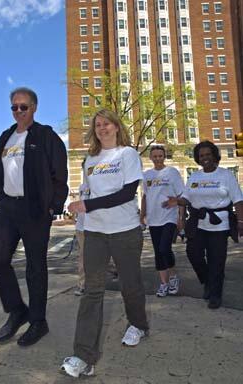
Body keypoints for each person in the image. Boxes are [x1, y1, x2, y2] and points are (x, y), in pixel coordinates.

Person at [60, 109, 148, 378]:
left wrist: (88, 204)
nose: (102, 128)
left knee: (130, 285)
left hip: (125, 230)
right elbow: (87, 192)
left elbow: (126, 194)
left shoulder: (127, 154)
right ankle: (83, 356)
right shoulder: (90, 159)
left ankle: (138, 324)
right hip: (96, 232)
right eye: (97, 125)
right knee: (92, 291)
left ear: (117, 126)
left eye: (106, 123)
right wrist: (80, 218)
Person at [0, 87, 68, 346]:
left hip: (35, 209)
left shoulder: (45, 135)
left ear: (33, 108)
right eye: (14, 107)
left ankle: (38, 321)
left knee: (35, 267)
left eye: (23, 107)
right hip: (7, 209)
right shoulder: (5, 137)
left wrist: (53, 206)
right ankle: (17, 310)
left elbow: (60, 172)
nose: (18, 112)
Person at [163, 141, 243, 309]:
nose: (205, 158)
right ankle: (207, 281)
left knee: (217, 261)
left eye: (208, 154)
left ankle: (215, 295)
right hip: (198, 223)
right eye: (201, 155)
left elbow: (238, 200)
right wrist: (176, 201)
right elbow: (186, 198)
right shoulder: (195, 176)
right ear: (198, 159)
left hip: (219, 225)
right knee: (193, 254)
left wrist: (241, 221)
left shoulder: (226, 175)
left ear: (214, 155)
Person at [140, 145, 185, 297]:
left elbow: (182, 196)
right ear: (151, 157)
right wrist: (142, 217)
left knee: (164, 248)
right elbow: (145, 197)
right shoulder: (147, 175)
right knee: (158, 253)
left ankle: (173, 277)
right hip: (153, 219)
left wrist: (180, 217)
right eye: (155, 156)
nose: (158, 158)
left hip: (169, 217)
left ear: (164, 157)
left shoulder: (172, 173)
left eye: (160, 156)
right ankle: (164, 283)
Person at [74, 165, 89, 296]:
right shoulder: (81, 187)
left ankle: (113, 270)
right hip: (81, 227)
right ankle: (82, 284)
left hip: (96, 227)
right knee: (83, 256)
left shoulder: (99, 185)